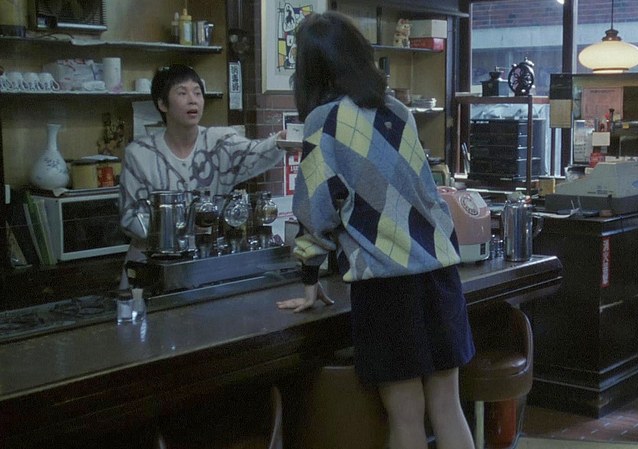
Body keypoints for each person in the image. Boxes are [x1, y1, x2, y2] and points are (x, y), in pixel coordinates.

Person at [275, 11, 476, 449]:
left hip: (387, 284)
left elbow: (315, 209)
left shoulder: (324, 121)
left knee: (405, 417)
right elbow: (424, 190)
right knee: (448, 407)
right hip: (440, 273)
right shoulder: (397, 110)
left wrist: (309, 278)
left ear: (311, 69)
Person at [119, 64, 289, 282]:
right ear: (162, 104)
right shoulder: (140, 154)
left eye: (197, 93)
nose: (193, 100)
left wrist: (279, 142)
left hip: (203, 261)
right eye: (182, 93)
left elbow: (255, 153)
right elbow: (130, 219)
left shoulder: (219, 141)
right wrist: (181, 229)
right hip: (150, 266)